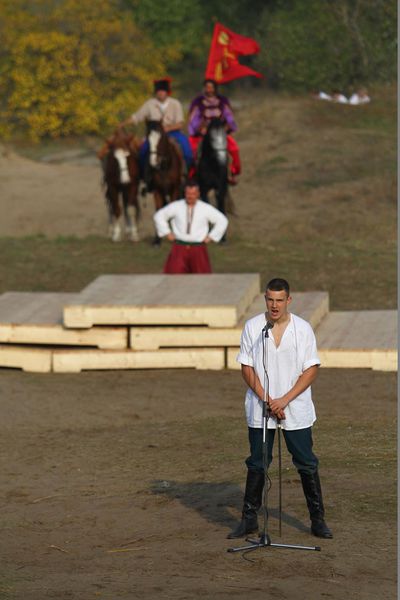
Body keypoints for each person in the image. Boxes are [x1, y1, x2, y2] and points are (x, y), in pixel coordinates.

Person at [228, 278, 333, 540]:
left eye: (279, 300)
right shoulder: (254, 327)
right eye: (270, 300)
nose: (274, 305)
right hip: (260, 407)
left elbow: (311, 369)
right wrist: (266, 400)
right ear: (265, 299)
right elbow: (247, 367)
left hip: (294, 408)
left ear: (289, 300)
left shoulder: (303, 329)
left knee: (306, 462)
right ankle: (249, 518)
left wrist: (283, 400)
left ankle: (317, 519)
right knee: (257, 462)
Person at [118, 78, 193, 182]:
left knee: (186, 149)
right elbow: (137, 116)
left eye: (163, 91)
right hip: (155, 135)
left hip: (173, 133)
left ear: (167, 92)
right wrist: (123, 123)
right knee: (143, 151)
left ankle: (186, 174)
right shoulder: (150, 104)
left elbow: (180, 123)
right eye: (159, 91)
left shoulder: (175, 103)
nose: (161, 93)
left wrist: (168, 128)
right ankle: (145, 176)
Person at [153, 180, 228, 274]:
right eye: (188, 193)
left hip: (198, 248)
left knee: (201, 279)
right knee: (174, 278)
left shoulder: (205, 208)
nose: (190, 196)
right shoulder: (177, 206)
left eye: (193, 194)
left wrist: (211, 236)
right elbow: (159, 215)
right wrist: (166, 232)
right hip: (179, 247)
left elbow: (222, 220)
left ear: (198, 194)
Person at [188, 79, 241, 185]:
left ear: (215, 88)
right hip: (203, 133)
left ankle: (231, 174)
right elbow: (193, 118)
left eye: (211, 87)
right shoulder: (198, 102)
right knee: (192, 150)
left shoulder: (222, 101)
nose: (209, 89)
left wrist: (226, 128)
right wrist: (200, 129)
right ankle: (191, 174)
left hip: (220, 133)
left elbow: (229, 117)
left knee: (233, 148)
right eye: (207, 87)